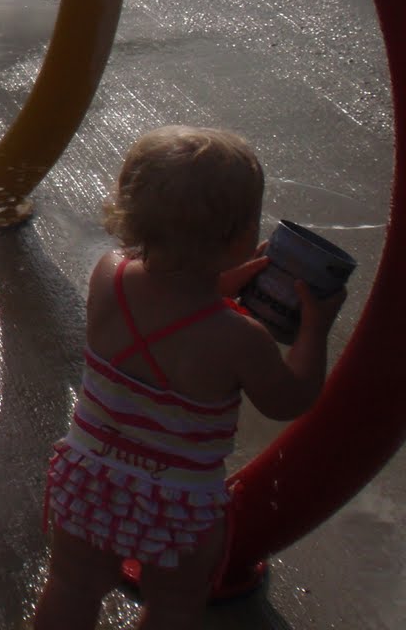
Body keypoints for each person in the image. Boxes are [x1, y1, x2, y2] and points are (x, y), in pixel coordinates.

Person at [33, 126, 347, 629]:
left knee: (72, 586)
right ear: (243, 237)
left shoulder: (109, 274)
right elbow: (290, 399)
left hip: (91, 477)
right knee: (173, 607)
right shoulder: (240, 338)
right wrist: (316, 329)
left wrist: (219, 278)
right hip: (178, 503)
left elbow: (169, 302)